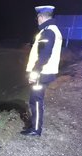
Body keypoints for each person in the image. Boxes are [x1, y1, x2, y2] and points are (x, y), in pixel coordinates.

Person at [21, 5, 62, 136]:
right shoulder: (53, 30)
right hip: (45, 72)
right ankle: (34, 126)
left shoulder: (48, 31)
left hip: (42, 73)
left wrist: (35, 73)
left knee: (36, 101)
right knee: (35, 100)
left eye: (37, 17)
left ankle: (36, 129)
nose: (37, 20)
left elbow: (44, 55)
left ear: (41, 17)